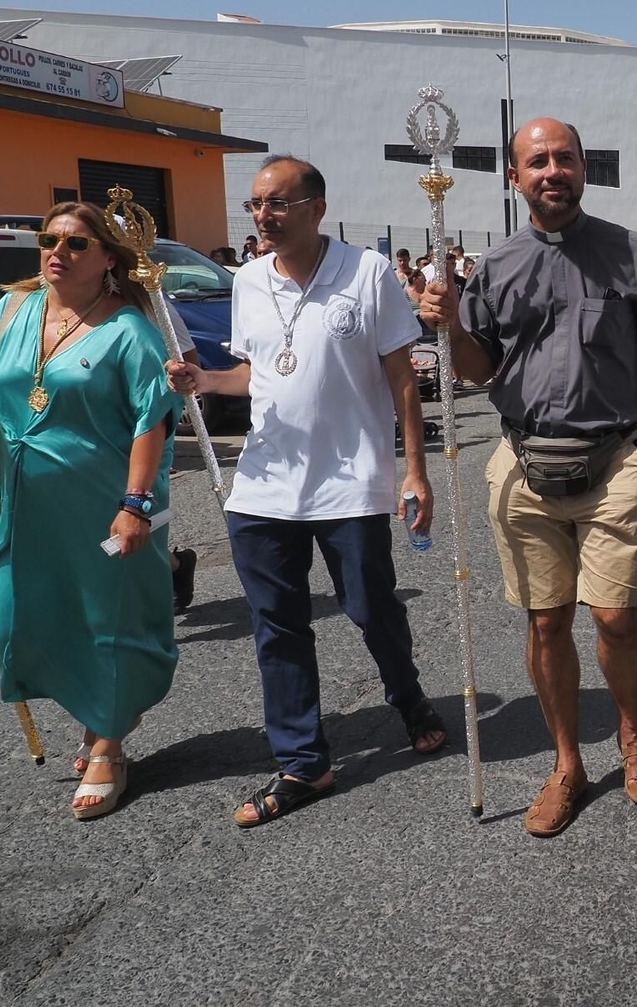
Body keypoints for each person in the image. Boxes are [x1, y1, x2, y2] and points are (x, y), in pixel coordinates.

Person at [420, 117, 637, 838]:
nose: (552, 171)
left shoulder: (631, 254)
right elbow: (481, 369)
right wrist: (448, 327)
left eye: (564, 158)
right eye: (536, 161)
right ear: (515, 178)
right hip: (523, 460)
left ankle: (634, 737)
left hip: (613, 458)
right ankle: (568, 763)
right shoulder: (497, 266)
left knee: (615, 615)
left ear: (584, 168)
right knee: (547, 621)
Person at [167, 155, 447, 828]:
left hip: (349, 481)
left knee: (371, 607)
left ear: (317, 208)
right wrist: (206, 382)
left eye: (278, 203)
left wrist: (415, 469)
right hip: (264, 485)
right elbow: (256, 374)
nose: (263, 216)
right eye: (256, 204)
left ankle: (406, 695)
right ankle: (303, 762)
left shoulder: (368, 273)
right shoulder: (248, 280)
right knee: (277, 627)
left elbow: (402, 378)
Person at [0, 201, 182, 819]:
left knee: (106, 621)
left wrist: (136, 504)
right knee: (18, 615)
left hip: (105, 504)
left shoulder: (127, 330)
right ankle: (102, 710)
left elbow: (153, 420)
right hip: (26, 502)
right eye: (48, 238)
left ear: (109, 258)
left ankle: (109, 742)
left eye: (76, 243)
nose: (57, 250)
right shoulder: (11, 311)